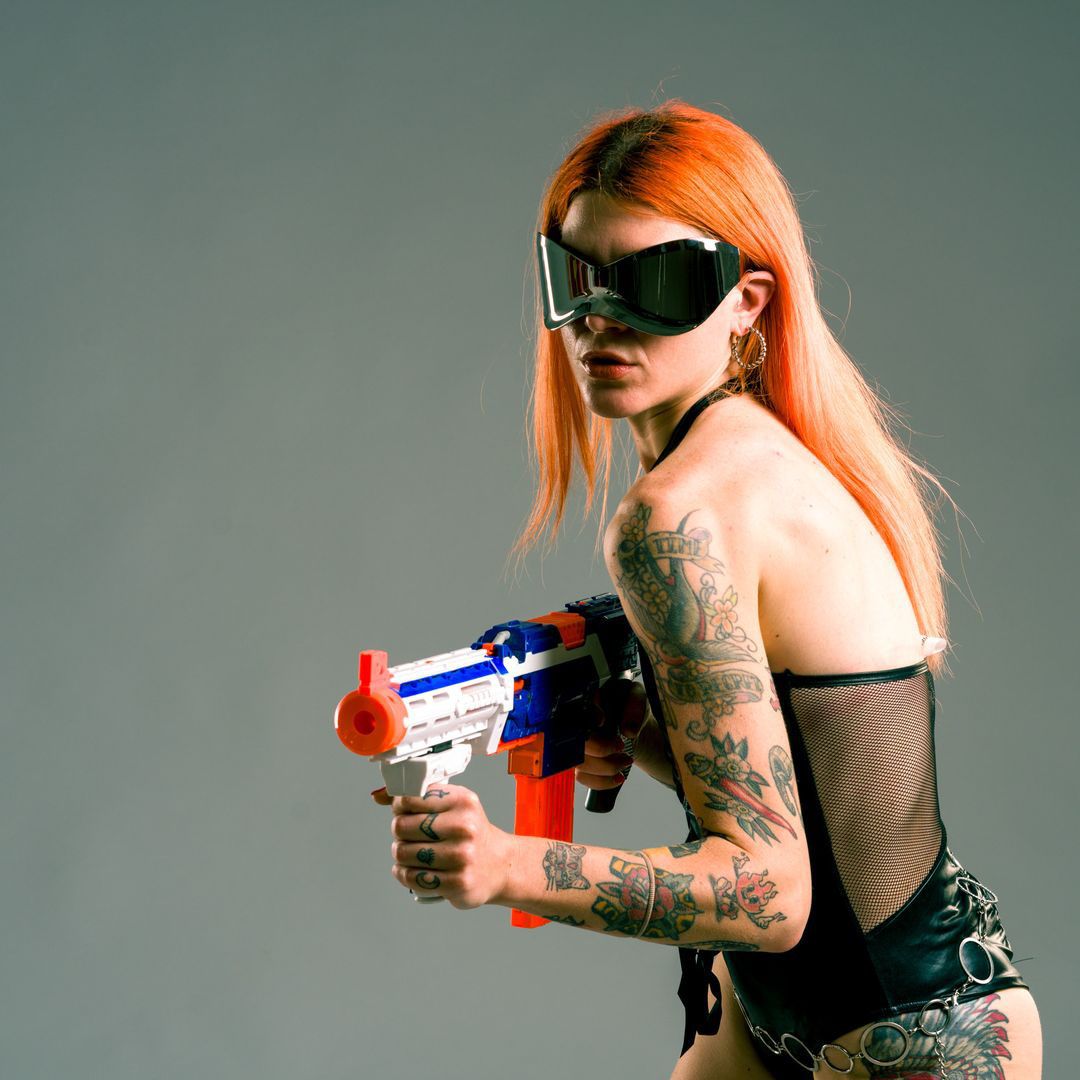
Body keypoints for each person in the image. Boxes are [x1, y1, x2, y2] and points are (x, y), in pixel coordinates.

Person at [380, 102, 1042, 1078]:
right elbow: (813, 786)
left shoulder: (675, 516)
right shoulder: (761, 461)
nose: (601, 318)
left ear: (747, 302)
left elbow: (768, 894)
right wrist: (648, 735)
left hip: (908, 1043)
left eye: (654, 282)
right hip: (813, 1016)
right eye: (576, 280)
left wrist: (505, 864)